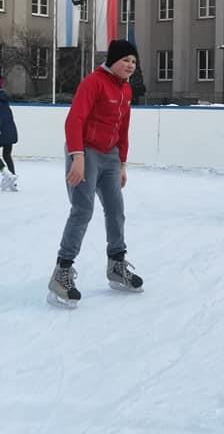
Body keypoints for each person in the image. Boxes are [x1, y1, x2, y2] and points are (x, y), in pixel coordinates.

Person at [48, 39, 142, 308]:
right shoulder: (94, 82)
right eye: (125, 60)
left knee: (116, 209)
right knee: (82, 210)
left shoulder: (125, 90)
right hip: (86, 153)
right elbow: (75, 118)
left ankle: (116, 265)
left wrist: (122, 164)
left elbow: (123, 129)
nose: (130, 65)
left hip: (110, 156)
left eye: (134, 62)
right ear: (113, 60)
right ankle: (61, 272)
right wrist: (77, 156)